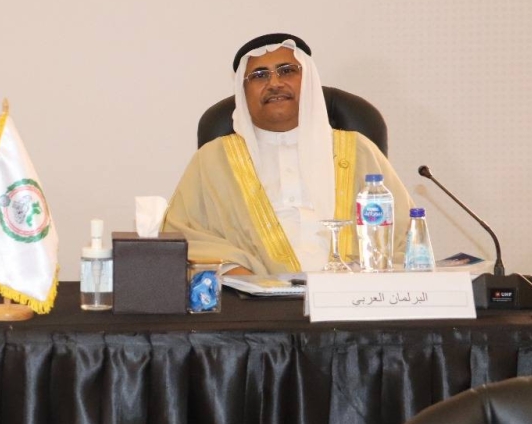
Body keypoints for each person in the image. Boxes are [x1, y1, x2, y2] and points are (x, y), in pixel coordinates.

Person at [163, 33, 411, 275]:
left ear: (308, 81)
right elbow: (183, 236)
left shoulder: (359, 149)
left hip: (351, 292)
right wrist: (236, 273)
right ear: (243, 91)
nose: (274, 83)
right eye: (259, 75)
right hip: (251, 296)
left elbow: (406, 232)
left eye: (287, 71)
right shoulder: (212, 159)